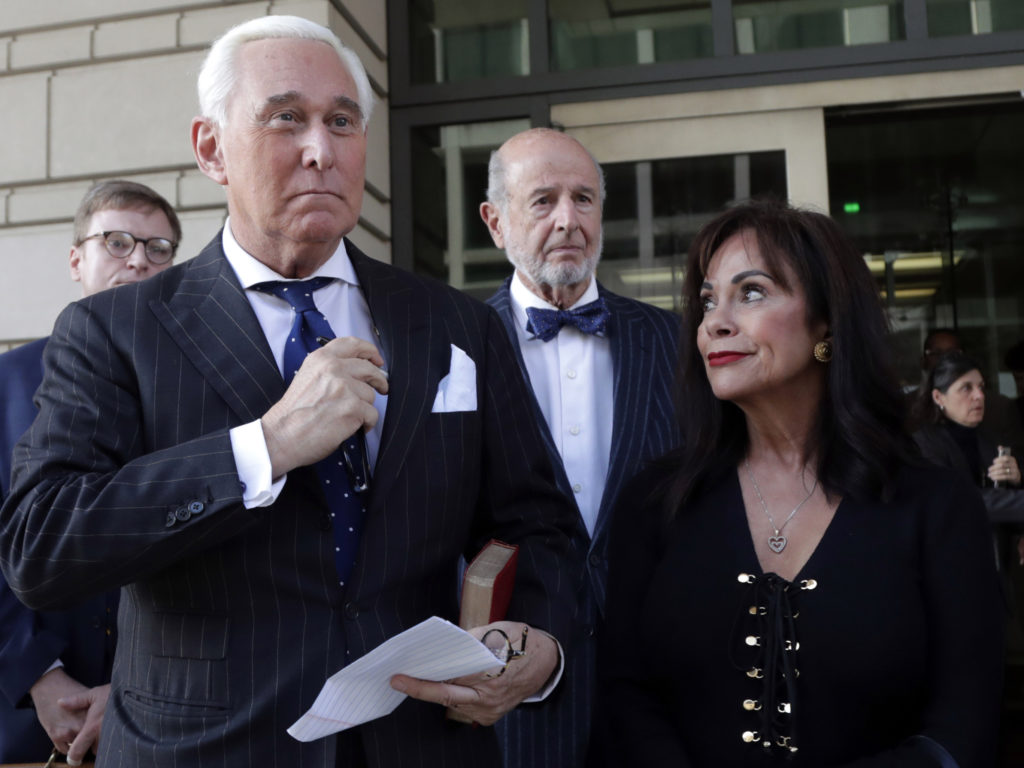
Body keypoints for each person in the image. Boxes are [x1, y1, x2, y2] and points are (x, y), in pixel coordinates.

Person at [0, 16, 579, 768]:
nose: (322, 149)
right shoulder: (114, 331)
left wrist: (539, 644)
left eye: (342, 121)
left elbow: (544, 526)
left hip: (421, 744)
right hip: (205, 749)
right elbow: (42, 546)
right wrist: (263, 447)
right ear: (211, 149)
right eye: (286, 119)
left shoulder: (456, 324)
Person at [595, 199, 1003, 766]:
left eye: (752, 292)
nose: (715, 320)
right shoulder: (656, 501)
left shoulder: (934, 505)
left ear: (827, 319)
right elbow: (625, 692)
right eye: (708, 299)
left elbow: (967, 718)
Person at [480, 127, 680, 768]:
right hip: (515, 696)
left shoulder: (676, 344)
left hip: (659, 687)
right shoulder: (450, 347)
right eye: (542, 201)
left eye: (584, 199)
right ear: (495, 222)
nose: (568, 220)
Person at [0, 180, 181, 765]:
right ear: (76, 258)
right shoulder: (5, 385)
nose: (138, 259)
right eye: (118, 241)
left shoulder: (202, 396)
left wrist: (131, 691)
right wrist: (38, 676)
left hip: (171, 717)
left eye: (158, 249)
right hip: (26, 719)